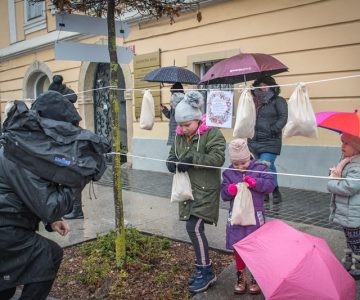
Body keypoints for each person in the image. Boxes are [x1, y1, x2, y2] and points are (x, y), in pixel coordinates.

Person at [0, 92, 83, 300]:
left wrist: (51, 220)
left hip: (9, 225)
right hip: (6, 229)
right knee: (50, 254)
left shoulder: (22, 142)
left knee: (6, 287)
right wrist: (75, 180)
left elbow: (32, 193)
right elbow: (48, 203)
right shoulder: (19, 150)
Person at [166, 90, 226, 293]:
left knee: (194, 227)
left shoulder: (213, 133)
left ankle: (206, 270)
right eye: (180, 125)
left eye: (186, 125)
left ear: (198, 119)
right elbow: (173, 153)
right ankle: (203, 268)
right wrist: (171, 162)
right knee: (193, 228)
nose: (182, 129)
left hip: (206, 191)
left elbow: (218, 159)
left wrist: (193, 159)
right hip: (187, 190)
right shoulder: (180, 135)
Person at [221, 138, 275, 294]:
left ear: (249, 157)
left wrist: (255, 182)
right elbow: (223, 193)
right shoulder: (229, 173)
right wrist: (229, 191)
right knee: (238, 247)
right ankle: (240, 275)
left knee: (255, 248)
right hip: (237, 218)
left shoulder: (259, 168)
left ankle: (256, 276)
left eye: (243, 163)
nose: (240, 167)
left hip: (255, 218)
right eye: (236, 164)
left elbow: (270, 186)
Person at [248, 75, 288, 203]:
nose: (262, 88)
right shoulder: (252, 101)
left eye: (265, 85)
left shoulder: (278, 100)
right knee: (264, 167)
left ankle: (274, 191)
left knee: (264, 165)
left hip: (271, 140)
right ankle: (267, 190)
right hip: (254, 140)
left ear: (272, 86)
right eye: (260, 86)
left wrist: (273, 129)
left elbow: (283, 117)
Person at [48, 77, 83, 219]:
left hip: (69, 146)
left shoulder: (64, 107)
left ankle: (76, 210)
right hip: (67, 145)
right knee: (66, 176)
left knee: (71, 176)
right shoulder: (64, 105)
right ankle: (71, 208)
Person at [328, 133, 360, 280]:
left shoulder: (357, 166)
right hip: (347, 212)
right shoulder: (347, 162)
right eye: (342, 142)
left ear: (357, 147)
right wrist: (335, 173)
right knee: (349, 239)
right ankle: (349, 260)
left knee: (356, 241)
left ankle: (357, 266)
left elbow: (348, 187)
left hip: (354, 214)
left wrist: (332, 181)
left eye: (347, 143)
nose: (342, 146)